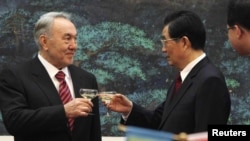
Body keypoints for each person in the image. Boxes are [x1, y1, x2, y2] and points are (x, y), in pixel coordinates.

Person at [100, 10, 231, 134]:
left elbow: (204, 136)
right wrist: (129, 109)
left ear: (184, 42)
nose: (163, 49)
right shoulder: (183, 79)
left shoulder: (210, 81)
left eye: (165, 42)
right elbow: (159, 122)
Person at [0, 12, 101, 141]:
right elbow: (14, 121)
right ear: (44, 42)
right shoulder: (15, 75)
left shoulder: (87, 79)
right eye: (67, 38)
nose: (74, 46)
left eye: (75, 39)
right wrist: (63, 112)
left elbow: (94, 133)